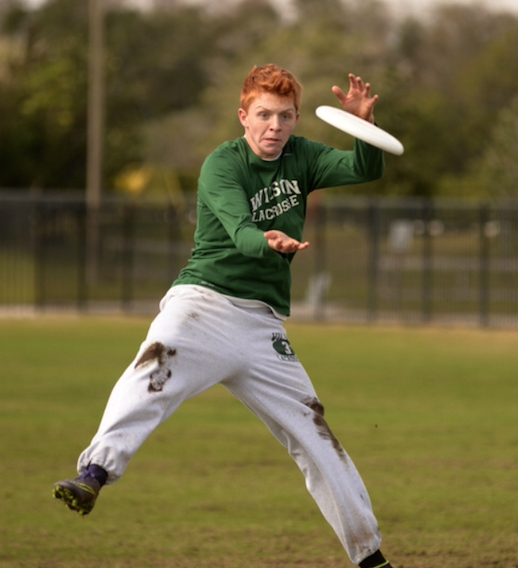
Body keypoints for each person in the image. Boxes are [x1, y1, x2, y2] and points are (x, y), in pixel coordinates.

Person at [53, 64, 393, 568]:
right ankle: (94, 473)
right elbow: (239, 230)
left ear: (297, 118)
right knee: (153, 369)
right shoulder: (221, 164)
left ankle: (371, 557)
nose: (274, 126)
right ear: (243, 117)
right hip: (202, 305)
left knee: (316, 437)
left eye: (284, 116)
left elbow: (366, 170)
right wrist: (269, 239)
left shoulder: (302, 157)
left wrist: (362, 130)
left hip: (263, 327)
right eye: (263, 115)